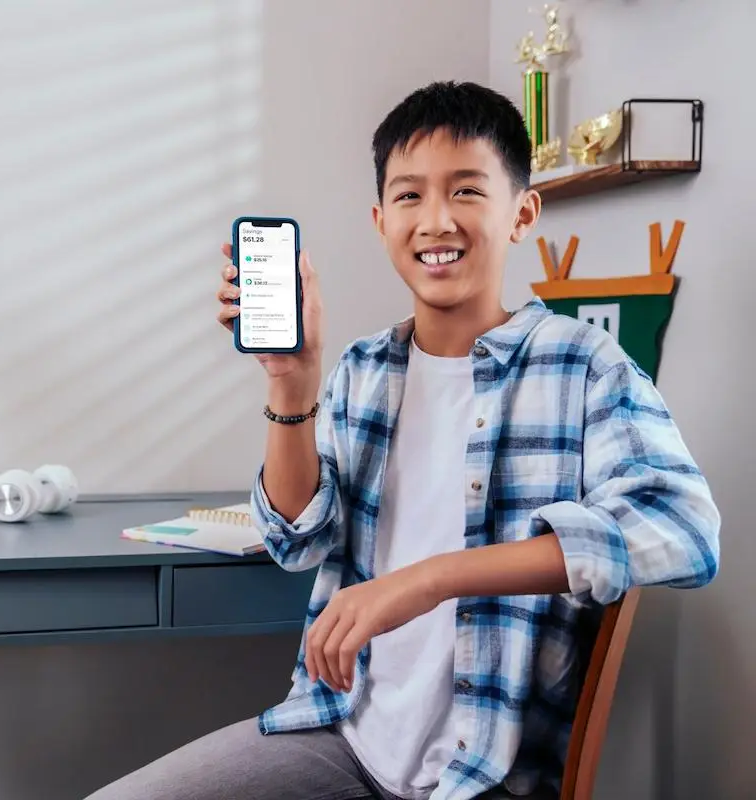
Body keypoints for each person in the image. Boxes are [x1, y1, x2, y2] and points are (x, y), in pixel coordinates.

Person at [84, 81, 721, 800]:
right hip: (342, 733)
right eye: (411, 197)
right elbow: (295, 538)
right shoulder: (364, 369)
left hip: (482, 774)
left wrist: (428, 579)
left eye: (467, 191)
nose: (436, 220)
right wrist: (291, 385)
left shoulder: (583, 367)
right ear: (381, 219)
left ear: (523, 212)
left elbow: (688, 531)